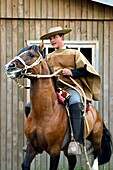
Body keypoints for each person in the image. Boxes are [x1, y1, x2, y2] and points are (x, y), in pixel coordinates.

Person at [24, 26, 101, 155]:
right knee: (28, 106)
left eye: (55, 37)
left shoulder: (74, 54)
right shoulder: (47, 58)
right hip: (54, 90)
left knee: (75, 103)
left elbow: (86, 70)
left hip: (72, 88)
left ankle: (76, 142)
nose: (52, 40)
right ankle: (32, 140)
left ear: (62, 37)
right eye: (50, 38)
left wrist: (71, 72)